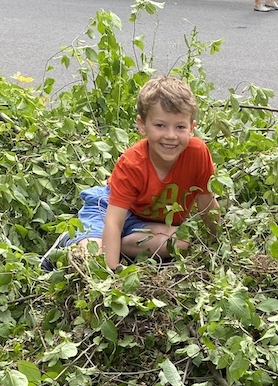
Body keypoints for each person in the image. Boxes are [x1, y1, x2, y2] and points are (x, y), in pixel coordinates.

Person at [42, 74, 219, 272]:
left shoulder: (197, 153)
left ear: (191, 128)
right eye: (160, 125)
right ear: (142, 125)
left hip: (144, 223)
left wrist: (217, 245)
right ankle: (70, 243)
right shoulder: (132, 163)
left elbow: (207, 202)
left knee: (180, 242)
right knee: (93, 259)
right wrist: (110, 275)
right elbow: (113, 222)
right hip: (107, 210)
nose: (170, 135)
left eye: (180, 127)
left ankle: (117, 248)